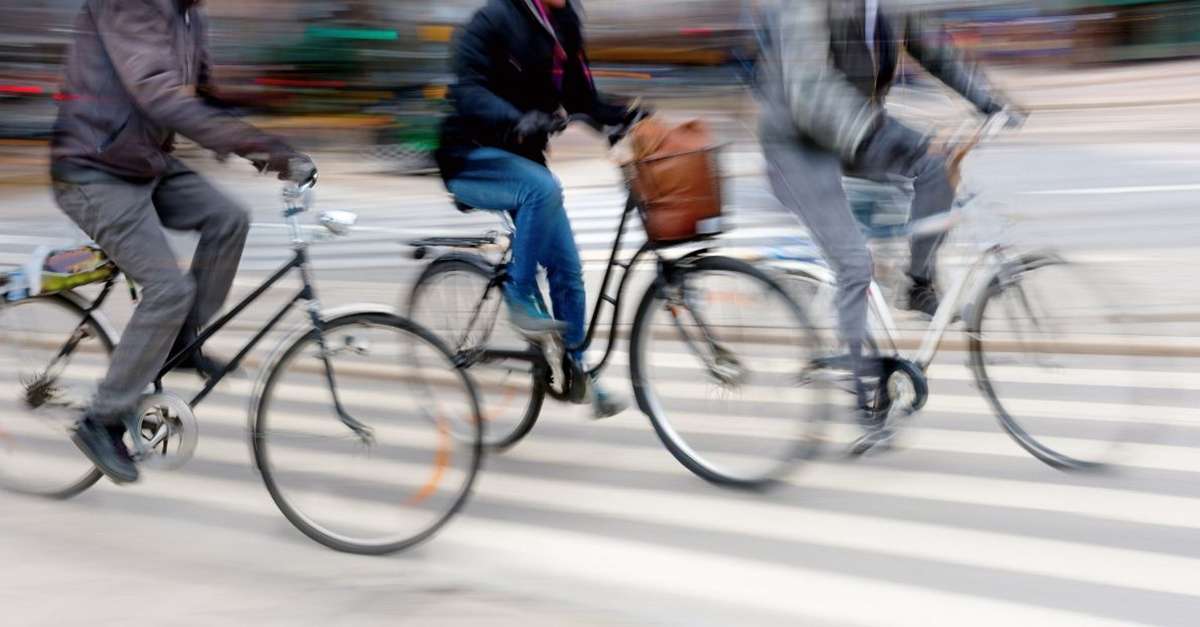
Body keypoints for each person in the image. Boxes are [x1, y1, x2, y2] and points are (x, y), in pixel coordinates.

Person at [50, 0, 314, 484]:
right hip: (93, 169)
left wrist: (268, 135)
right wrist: (260, 147)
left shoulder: (190, 12)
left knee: (228, 218)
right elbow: (161, 95)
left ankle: (178, 343)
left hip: (144, 161)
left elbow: (204, 97)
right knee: (168, 289)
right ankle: (100, 419)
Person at [755, 0, 1018, 451]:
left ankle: (916, 284)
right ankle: (864, 401)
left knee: (936, 169)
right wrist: (878, 135)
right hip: (799, 141)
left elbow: (934, 49)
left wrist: (988, 100)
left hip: (856, 127)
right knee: (854, 264)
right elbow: (808, 85)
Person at [436, 0, 645, 418]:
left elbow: (580, 96)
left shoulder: (563, 24)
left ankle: (576, 373)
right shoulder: (495, 17)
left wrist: (622, 117)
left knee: (568, 269)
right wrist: (516, 119)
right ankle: (519, 297)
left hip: (523, 161)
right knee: (542, 188)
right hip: (471, 157)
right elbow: (468, 89)